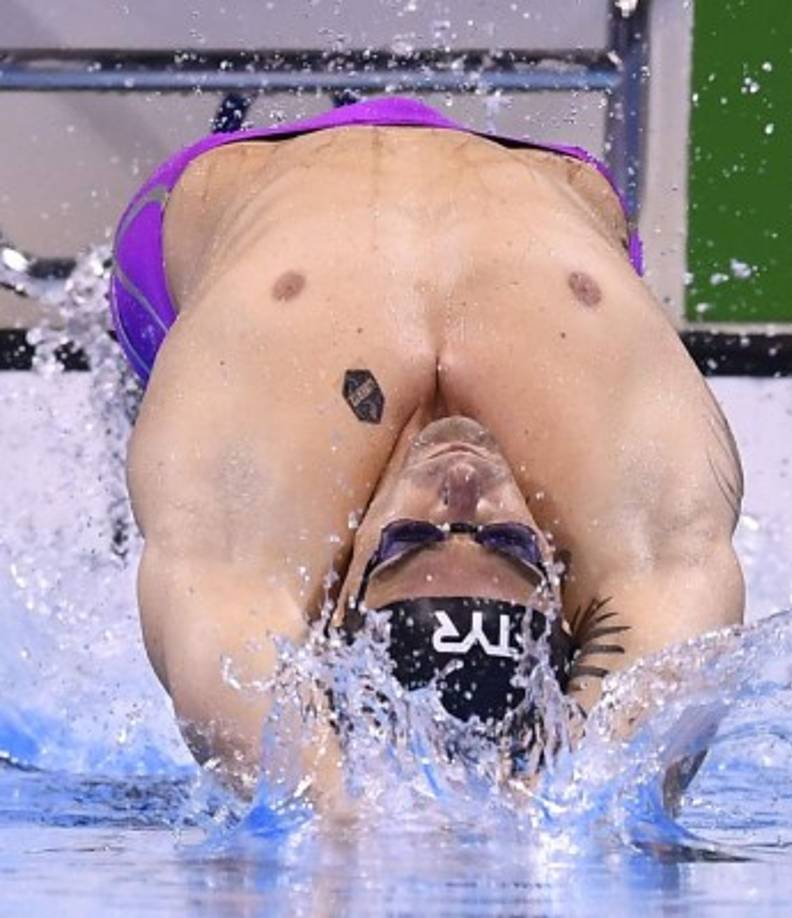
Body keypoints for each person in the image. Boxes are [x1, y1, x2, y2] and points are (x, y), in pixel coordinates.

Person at [110, 96, 744, 801]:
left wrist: (336, 825)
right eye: (508, 541)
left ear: (334, 592)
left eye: (410, 539)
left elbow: (222, 641)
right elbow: (665, 675)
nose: (464, 489)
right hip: (544, 197)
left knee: (188, 512)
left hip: (226, 216)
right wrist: (552, 793)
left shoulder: (273, 459)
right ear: (565, 584)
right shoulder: (609, 469)